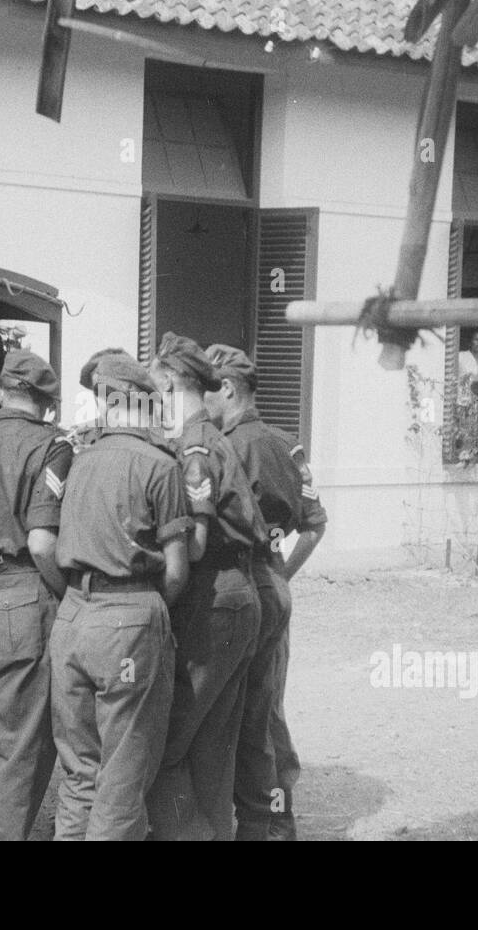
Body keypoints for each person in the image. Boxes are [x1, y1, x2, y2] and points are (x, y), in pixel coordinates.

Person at [50, 353, 192, 840]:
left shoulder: (78, 460)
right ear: (143, 402)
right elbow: (177, 571)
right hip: (128, 617)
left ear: (106, 402)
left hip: (71, 617)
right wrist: (146, 614)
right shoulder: (161, 465)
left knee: (78, 773)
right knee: (123, 775)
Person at [204, 343, 327, 841]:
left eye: (205, 389)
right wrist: (280, 575)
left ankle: (247, 822)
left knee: (228, 710)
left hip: (236, 583)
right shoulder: (285, 444)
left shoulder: (223, 447)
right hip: (273, 584)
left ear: (227, 390)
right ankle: (275, 822)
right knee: (265, 707)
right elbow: (316, 527)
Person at [144, 332, 263, 841]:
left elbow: (193, 543)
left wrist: (148, 559)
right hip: (239, 593)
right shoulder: (211, 436)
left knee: (163, 745)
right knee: (213, 747)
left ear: (169, 380)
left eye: (152, 387)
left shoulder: (193, 447)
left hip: (212, 597)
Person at [0, 349, 72, 841]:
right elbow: (43, 540)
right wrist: (67, 595)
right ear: (46, 402)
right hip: (26, 596)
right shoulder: (54, 447)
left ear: (0, 392)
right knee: (22, 741)